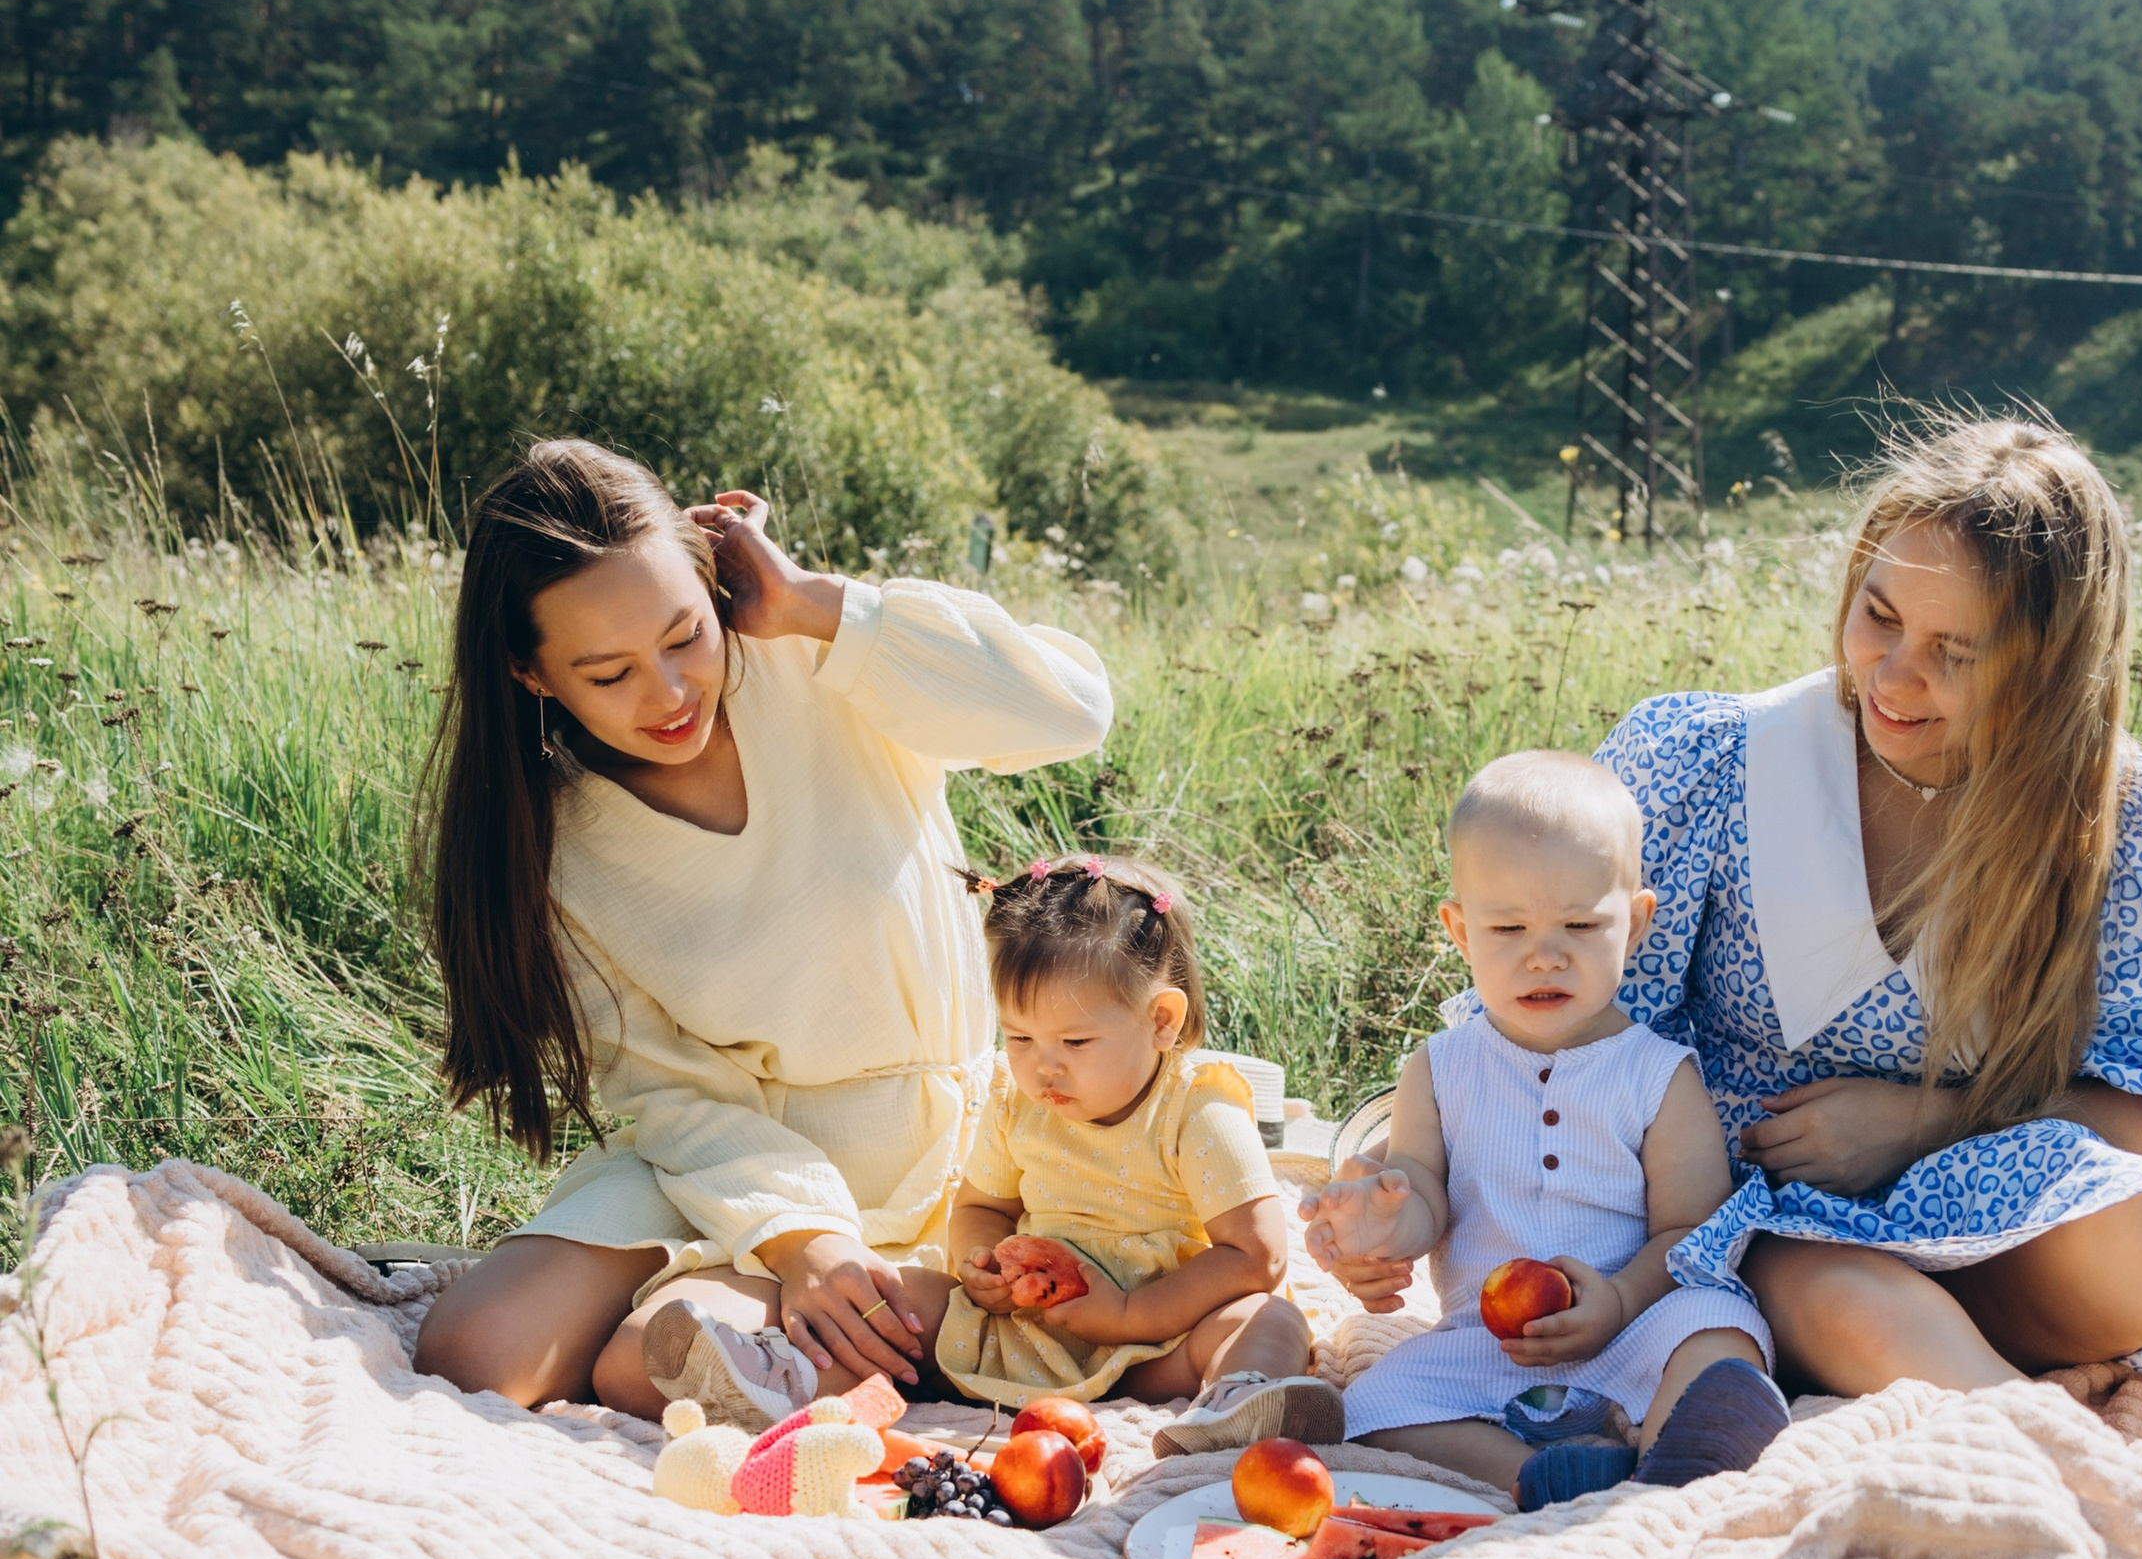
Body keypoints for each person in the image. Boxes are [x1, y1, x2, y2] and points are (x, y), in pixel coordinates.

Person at [1581, 415, 2142, 1417]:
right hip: (1760, 1230)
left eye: (1954, 652)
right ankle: (2106, 1490)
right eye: (1878, 616)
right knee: (1859, 1302)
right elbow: (1580, 1034)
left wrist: (1919, 1126)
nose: (1893, 676)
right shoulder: (1706, 765)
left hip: (2005, 1209)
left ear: (2049, 665)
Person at [412, 437, 1111, 1422]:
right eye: (608, 674)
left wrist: (823, 606)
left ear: (712, 586)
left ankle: (804, 1319)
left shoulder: (817, 659)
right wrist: (800, 1240)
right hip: (728, 1157)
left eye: (685, 637)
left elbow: (1071, 710)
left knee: (645, 1365)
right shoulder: (550, 839)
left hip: (930, 1156)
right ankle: (801, 1316)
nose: (668, 694)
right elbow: (670, 1089)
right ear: (531, 674)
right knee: (476, 1352)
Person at [1299, 751, 1786, 1502]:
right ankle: (1537, 1475)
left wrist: (1618, 1302)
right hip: (1487, 1347)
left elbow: (1692, 1232)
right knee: (1369, 1407)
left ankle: (1674, 1452)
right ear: (1462, 932)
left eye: (1580, 925)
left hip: (1633, 1328)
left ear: (1635, 924)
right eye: (1508, 927)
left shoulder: (1657, 1074)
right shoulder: (1441, 1067)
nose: (1544, 956)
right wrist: (1385, 1227)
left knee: (1722, 1329)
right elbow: (1422, 1192)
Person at [906, 852, 1339, 1449]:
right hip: (1028, 1336)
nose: (1043, 1066)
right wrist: (981, 1265)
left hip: (1162, 1348)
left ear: (1160, 1020)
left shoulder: (1195, 1108)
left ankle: (1237, 1406)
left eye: (1076, 1041)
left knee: (1268, 1320)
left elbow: (1256, 1255)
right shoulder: (1015, 1097)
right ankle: (811, 1369)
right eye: (1020, 1036)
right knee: (904, 1293)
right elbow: (983, 1207)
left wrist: (1131, 1314)